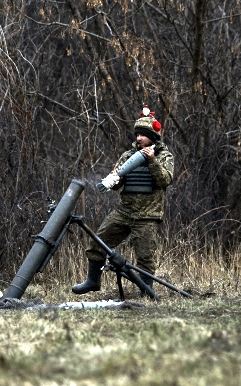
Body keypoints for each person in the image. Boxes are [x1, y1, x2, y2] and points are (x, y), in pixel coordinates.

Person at [72, 104, 174, 296]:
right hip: (124, 212)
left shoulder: (164, 156)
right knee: (97, 242)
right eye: (137, 134)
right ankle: (92, 281)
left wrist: (151, 161)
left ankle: (146, 291)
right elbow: (117, 185)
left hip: (147, 216)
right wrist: (114, 177)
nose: (138, 138)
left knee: (145, 256)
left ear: (152, 136)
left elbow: (165, 180)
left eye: (142, 134)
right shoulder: (128, 156)